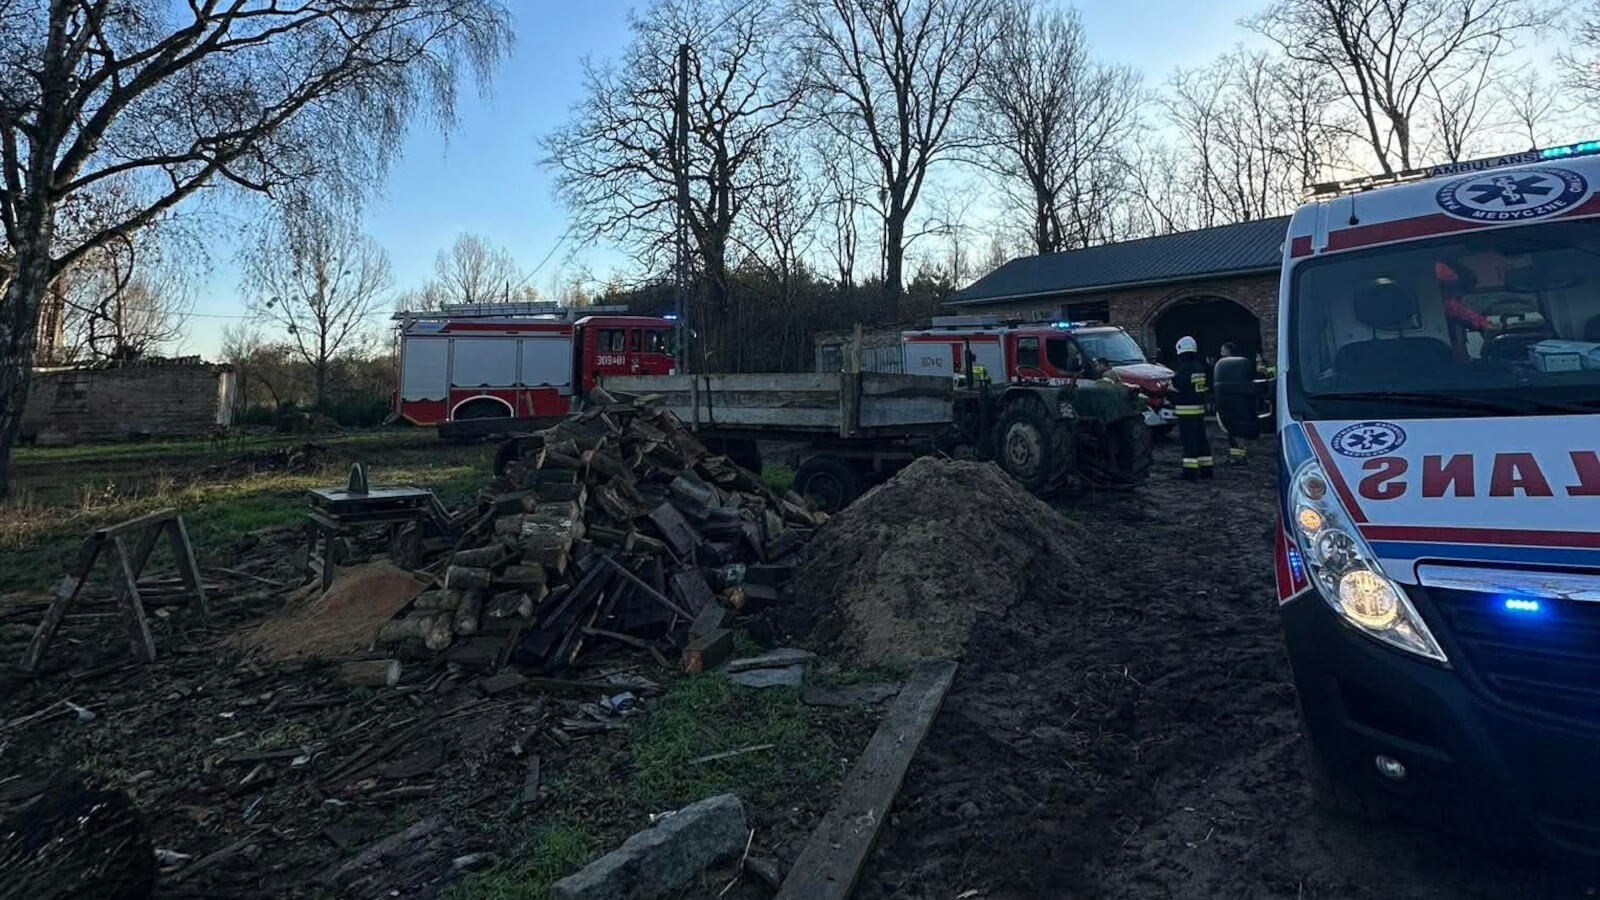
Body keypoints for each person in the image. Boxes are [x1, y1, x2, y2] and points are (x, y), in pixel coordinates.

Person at [1170, 335, 1212, 480]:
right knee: (1202, 440)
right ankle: (1207, 469)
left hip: (1186, 411)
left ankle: (1190, 472)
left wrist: (1169, 388)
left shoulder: (1184, 369)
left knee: (1189, 442)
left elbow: (1179, 388)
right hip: (1199, 410)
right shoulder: (1199, 367)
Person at [1215, 342, 1251, 465]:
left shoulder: (1234, 365)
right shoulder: (1224, 365)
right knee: (1230, 432)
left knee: (1237, 431)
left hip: (1235, 402)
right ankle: (1236, 457)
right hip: (1227, 402)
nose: (1221, 353)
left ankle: (1241, 457)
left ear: (1229, 351)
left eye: (1223, 350)